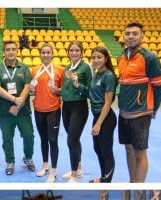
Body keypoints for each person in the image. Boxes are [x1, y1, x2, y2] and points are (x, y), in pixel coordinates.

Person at [117, 22, 161, 183]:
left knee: (140, 152)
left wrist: (154, 108)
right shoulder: (121, 57)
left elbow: (159, 87)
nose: (130, 36)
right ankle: (133, 183)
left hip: (141, 112)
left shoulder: (149, 57)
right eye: (128, 33)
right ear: (123, 36)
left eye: (135, 33)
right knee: (129, 150)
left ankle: (139, 186)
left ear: (142, 37)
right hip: (124, 112)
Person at [0, 40, 35, 176]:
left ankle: (28, 158)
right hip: (6, 112)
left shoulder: (24, 68)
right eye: (8, 49)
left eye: (13, 49)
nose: (11, 52)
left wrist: (18, 104)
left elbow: (28, 86)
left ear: (17, 51)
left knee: (29, 135)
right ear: (3, 52)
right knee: (7, 138)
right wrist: (14, 100)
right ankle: (10, 161)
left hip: (23, 112)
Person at [30, 43, 64, 183]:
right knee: (43, 139)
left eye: (48, 52)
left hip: (53, 110)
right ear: (40, 54)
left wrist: (57, 90)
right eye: (43, 52)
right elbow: (32, 90)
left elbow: (64, 90)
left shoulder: (59, 70)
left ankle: (54, 170)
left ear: (52, 54)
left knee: (53, 140)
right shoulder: (34, 70)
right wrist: (32, 90)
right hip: (38, 110)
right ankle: (45, 165)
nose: (45, 55)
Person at [60, 40, 92, 183]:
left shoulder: (86, 68)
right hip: (66, 107)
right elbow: (66, 90)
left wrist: (77, 84)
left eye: (77, 50)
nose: (74, 53)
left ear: (82, 52)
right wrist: (57, 91)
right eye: (71, 50)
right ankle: (78, 168)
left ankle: (74, 175)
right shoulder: (67, 68)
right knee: (74, 138)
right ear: (68, 52)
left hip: (79, 107)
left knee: (71, 140)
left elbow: (91, 91)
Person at [87, 46, 118, 183]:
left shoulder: (109, 76)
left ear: (105, 59)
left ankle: (107, 181)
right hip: (96, 116)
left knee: (106, 150)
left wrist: (99, 123)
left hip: (106, 118)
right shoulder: (96, 74)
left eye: (99, 57)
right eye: (93, 57)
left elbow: (108, 103)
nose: (96, 60)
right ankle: (103, 177)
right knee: (98, 148)